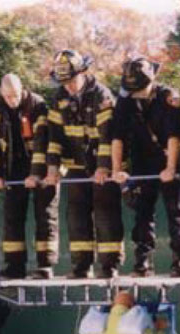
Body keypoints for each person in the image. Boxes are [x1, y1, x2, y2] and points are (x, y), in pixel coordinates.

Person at [111, 56, 180, 277]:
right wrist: (116, 169)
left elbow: (173, 135)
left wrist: (170, 168)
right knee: (142, 213)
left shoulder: (168, 97)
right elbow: (117, 137)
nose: (134, 92)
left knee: (175, 210)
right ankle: (142, 262)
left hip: (168, 155)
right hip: (141, 160)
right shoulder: (126, 99)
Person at [45, 49, 123, 278]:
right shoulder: (58, 98)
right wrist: (52, 169)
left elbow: (107, 136)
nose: (67, 86)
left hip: (102, 168)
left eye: (71, 80)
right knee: (76, 218)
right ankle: (81, 266)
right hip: (76, 168)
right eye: (63, 82)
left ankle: (109, 266)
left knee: (106, 215)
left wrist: (103, 167)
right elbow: (54, 138)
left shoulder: (101, 95)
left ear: (82, 73)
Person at [0, 74, 59, 280]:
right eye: (7, 97)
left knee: (45, 216)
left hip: (42, 167)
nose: (12, 101)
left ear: (22, 90)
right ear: (1, 93)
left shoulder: (37, 105)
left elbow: (42, 142)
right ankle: (15, 266)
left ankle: (45, 266)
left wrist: (35, 174)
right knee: (12, 217)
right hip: (13, 168)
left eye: (15, 95)